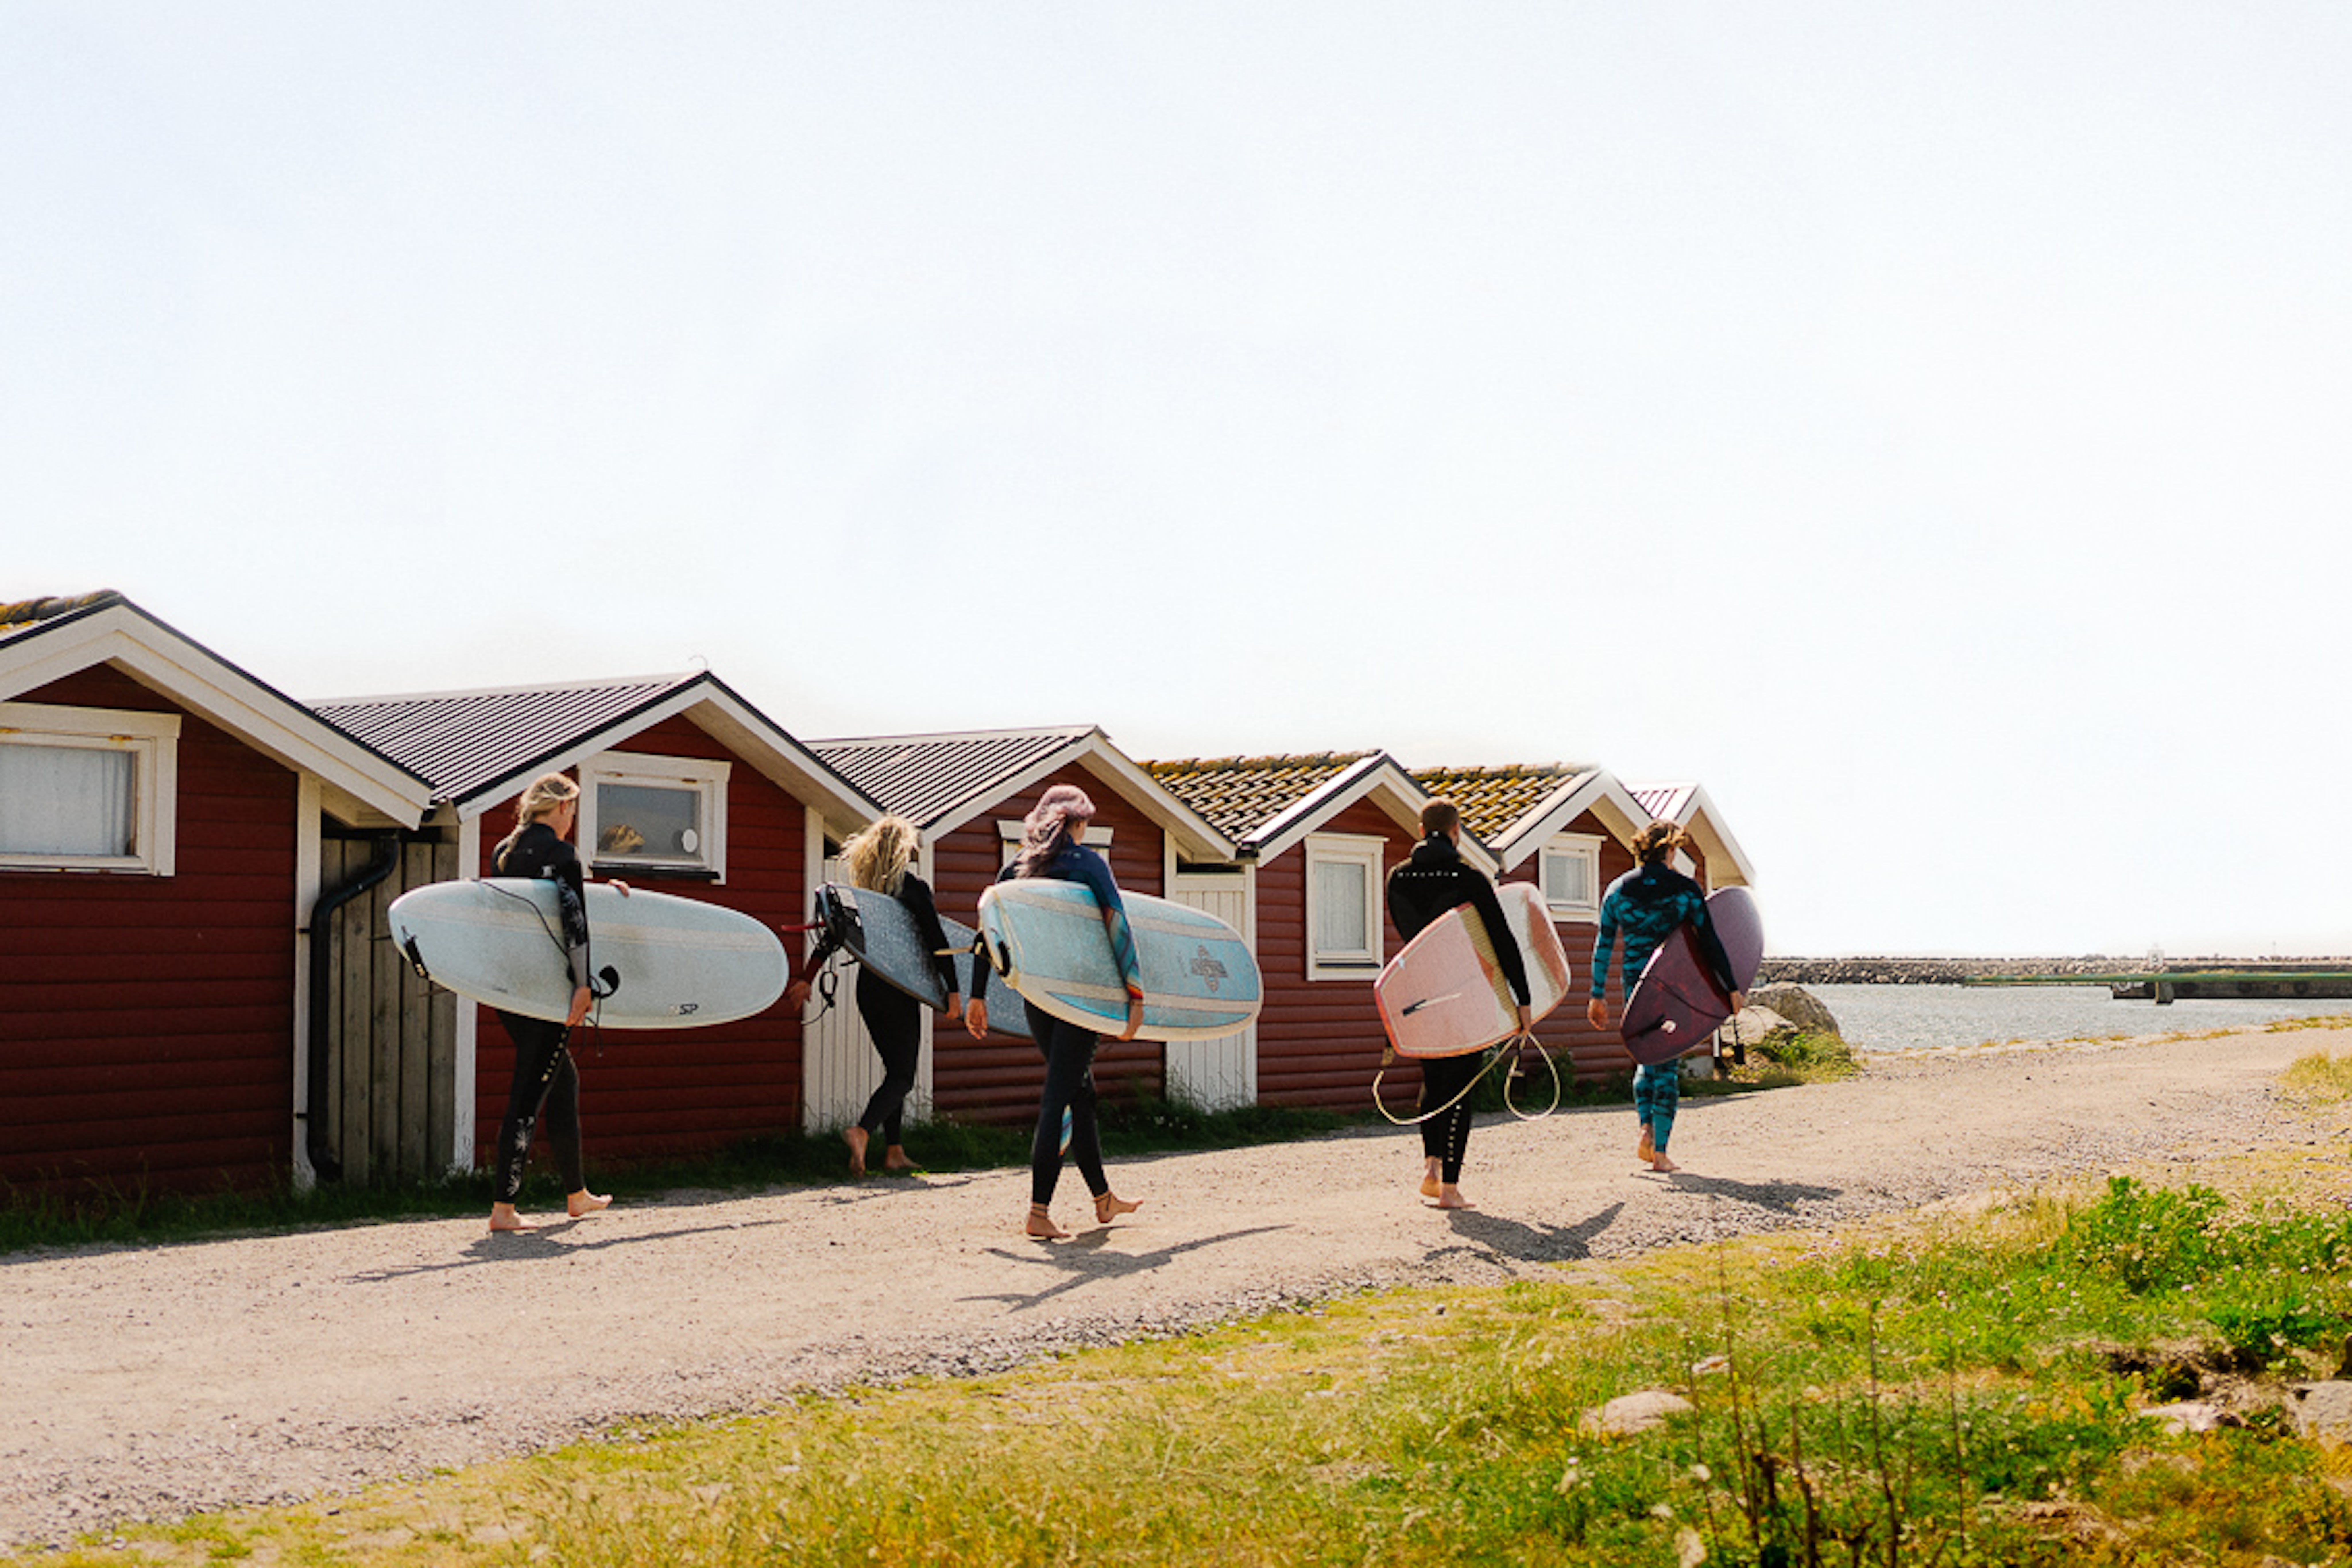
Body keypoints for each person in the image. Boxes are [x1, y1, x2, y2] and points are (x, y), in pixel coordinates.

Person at [964, 784, 1144, 1240]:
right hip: (1082, 998)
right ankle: (1039, 1211)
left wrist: (977, 996)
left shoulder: (1017, 867)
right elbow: (1118, 928)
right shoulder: (1089, 865)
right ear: (1079, 824)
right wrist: (1136, 997)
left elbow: (988, 933)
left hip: (1040, 1000)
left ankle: (1103, 1199)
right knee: (1060, 1096)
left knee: (1080, 1093)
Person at [487, 772, 628, 1233]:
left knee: (562, 1080)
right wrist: (583, 986)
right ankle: (504, 1209)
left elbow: (531, 913)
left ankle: (577, 1195)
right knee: (528, 1094)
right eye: (574, 810)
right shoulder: (562, 854)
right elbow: (573, 921)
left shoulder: (504, 852)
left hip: (510, 990)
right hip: (549, 994)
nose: (573, 819)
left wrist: (604, 893)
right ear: (563, 807)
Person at [785, 815, 961, 1177]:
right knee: (903, 1076)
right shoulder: (912, 888)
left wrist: (807, 978)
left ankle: (894, 1151)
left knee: (894, 1071)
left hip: (869, 989)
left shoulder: (863, 894)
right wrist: (954, 991)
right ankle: (862, 1130)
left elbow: (833, 934)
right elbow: (936, 941)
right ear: (901, 850)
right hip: (899, 990)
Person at [1385, 800, 1534, 1211]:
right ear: (1457, 832)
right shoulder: (1469, 877)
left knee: (1433, 1079)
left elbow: (1412, 936)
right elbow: (1501, 940)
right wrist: (1523, 998)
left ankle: (1431, 1168)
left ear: (1421, 830)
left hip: (1420, 992)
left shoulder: (1397, 877)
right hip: (1465, 990)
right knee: (1460, 1087)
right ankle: (1450, 1189)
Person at [1586, 820, 1744, 1174]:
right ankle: (1660, 1152)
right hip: (1674, 984)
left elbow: (1604, 945)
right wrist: (1731, 987)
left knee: (1645, 1056)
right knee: (1667, 1062)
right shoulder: (1685, 890)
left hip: (1636, 985)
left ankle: (1645, 1127)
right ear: (1670, 850)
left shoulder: (1618, 890)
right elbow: (1709, 941)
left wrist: (1597, 994)